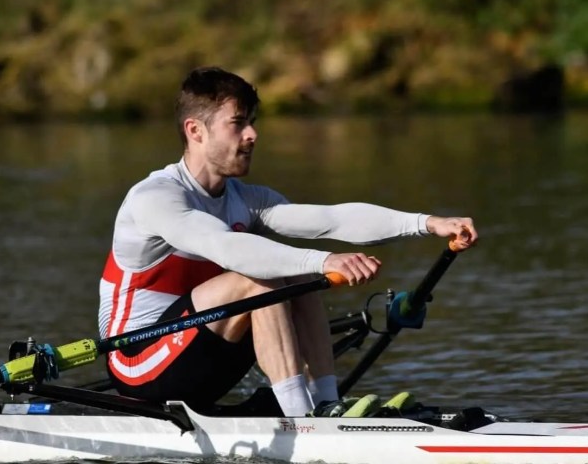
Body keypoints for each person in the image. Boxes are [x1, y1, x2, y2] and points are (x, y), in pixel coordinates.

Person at [98, 66, 477, 417]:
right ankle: (301, 417)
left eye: (252, 122)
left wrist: (428, 223)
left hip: (201, 356)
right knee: (260, 278)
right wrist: (324, 261)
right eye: (238, 123)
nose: (252, 135)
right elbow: (224, 247)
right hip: (137, 362)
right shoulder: (155, 198)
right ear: (195, 131)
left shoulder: (247, 199)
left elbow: (331, 219)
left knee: (295, 276)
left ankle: (326, 403)